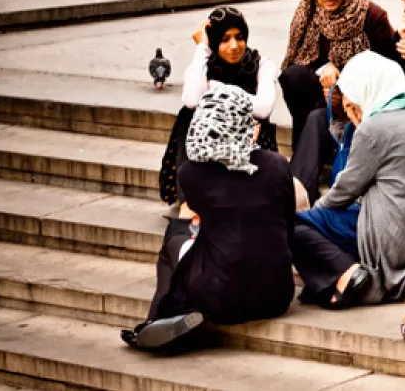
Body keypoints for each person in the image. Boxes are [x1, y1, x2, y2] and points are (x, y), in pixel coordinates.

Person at [123, 84, 296, 350]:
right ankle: (165, 320)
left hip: (218, 296)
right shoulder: (278, 165)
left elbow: (195, 214)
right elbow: (288, 226)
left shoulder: (192, 173)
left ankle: (157, 319)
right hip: (276, 296)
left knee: (175, 234)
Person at [291, 51, 405, 308]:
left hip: (390, 241)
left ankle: (348, 275)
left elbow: (343, 192)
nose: (351, 106)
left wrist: (312, 216)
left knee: (293, 225)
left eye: (353, 99)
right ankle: (340, 275)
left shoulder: (376, 128)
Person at [281, 0, 400, 181]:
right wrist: (324, 68)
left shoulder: (373, 16)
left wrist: (346, 87)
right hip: (324, 101)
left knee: (316, 119)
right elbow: (300, 60)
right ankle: (302, 180)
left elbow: (390, 71)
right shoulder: (310, 16)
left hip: (363, 103)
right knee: (293, 77)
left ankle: (304, 176)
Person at [159, 6, 279, 211]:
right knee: (188, 116)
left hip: (248, 139)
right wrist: (201, 48)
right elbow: (191, 100)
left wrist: (214, 88)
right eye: (224, 39)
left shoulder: (261, 64)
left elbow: (263, 108)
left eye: (239, 37)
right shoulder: (203, 65)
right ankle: (189, 201)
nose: (234, 46)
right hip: (211, 141)